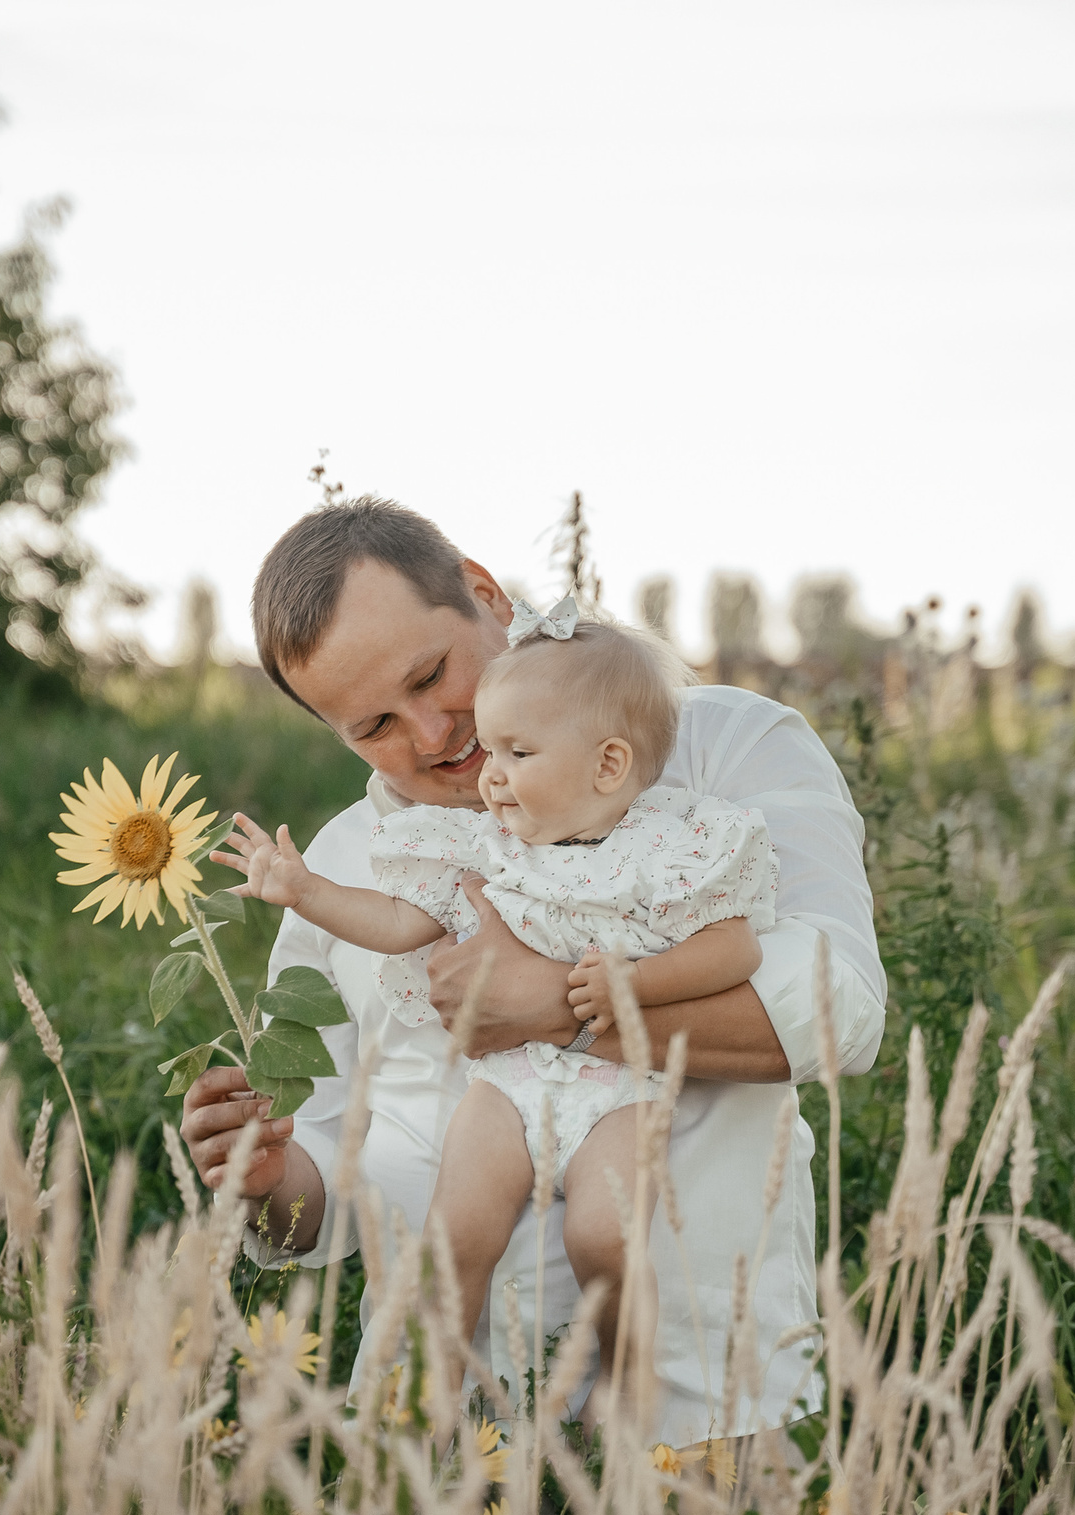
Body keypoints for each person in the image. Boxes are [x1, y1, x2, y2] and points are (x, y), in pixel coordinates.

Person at [179, 496, 885, 1447]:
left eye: (433, 675)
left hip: (700, 1406)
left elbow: (838, 1002)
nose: (432, 734)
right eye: (375, 724)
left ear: (484, 593)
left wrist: (563, 1006)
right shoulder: (344, 872)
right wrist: (269, 1180)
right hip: (448, 1435)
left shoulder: (720, 751)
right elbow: (336, 1189)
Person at [213, 602, 778, 1392]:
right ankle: (436, 1387)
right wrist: (305, 891)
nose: (485, 766)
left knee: (606, 1234)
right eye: (375, 722)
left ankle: (629, 1390)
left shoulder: (669, 845)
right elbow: (396, 919)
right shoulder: (481, 845)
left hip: (619, 1090)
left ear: (608, 766)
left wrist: (632, 985)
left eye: (516, 750)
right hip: (506, 1086)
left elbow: (733, 946)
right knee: (457, 1228)